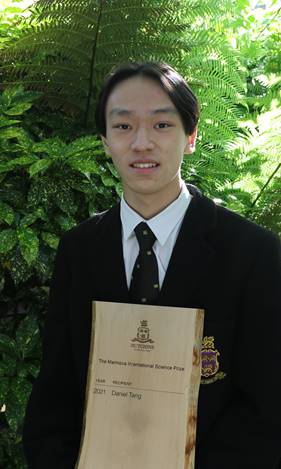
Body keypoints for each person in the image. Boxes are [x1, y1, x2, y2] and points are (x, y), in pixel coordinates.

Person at [23, 62, 281, 469]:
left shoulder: (254, 254)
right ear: (105, 140)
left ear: (191, 136)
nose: (141, 143)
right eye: (123, 126)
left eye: (161, 126)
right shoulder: (79, 250)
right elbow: (56, 392)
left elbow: (268, 409)